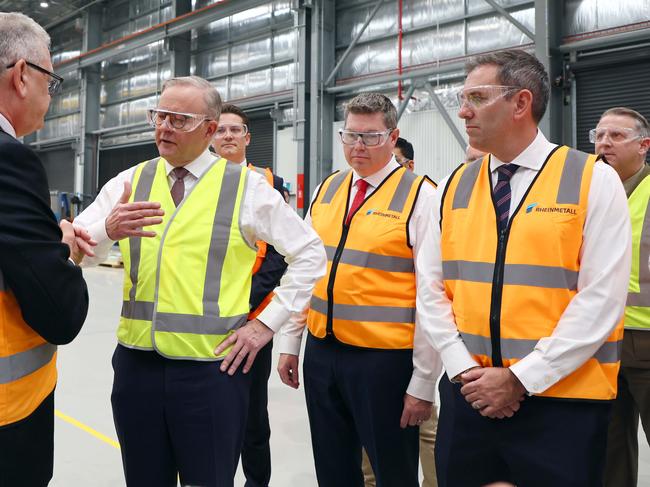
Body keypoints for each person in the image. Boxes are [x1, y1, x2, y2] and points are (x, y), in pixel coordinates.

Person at [73, 76, 326, 487]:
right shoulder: (130, 181)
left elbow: (310, 253)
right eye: (159, 116)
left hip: (211, 372)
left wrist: (265, 325)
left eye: (179, 119)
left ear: (210, 129)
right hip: (137, 366)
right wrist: (107, 228)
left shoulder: (246, 188)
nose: (164, 127)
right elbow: (80, 248)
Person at [420, 49, 631, 486]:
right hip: (470, 393)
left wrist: (520, 378)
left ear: (520, 103)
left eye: (476, 97)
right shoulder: (453, 185)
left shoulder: (591, 178)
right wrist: (461, 369)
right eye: (464, 97)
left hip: (563, 398)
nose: (462, 110)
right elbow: (431, 287)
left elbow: (602, 298)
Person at [277, 92, 442, 487]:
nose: (358, 146)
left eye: (370, 137)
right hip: (323, 352)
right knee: (333, 468)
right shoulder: (327, 190)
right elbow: (309, 272)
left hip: (384, 362)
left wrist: (423, 382)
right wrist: (290, 342)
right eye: (350, 135)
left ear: (393, 136)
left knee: (391, 470)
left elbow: (431, 296)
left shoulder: (422, 197)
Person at [0, 12, 93, 487]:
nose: (49, 96)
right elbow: (61, 313)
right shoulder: (9, 158)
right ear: (21, 76)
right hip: (10, 417)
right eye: (50, 81)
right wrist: (66, 253)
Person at [212, 103, 289, 487]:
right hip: (206, 321)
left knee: (254, 416)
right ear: (210, 136)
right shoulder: (198, 184)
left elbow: (279, 254)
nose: (227, 136)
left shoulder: (267, 184)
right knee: (211, 413)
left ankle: (257, 482)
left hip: (253, 320)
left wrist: (245, 305)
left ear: (247, 137)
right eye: (220, 129)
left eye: (234, 130)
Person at [360, 136, 439, 487]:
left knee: (424, 434)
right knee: (369, 448)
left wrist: (423, 375)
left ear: (407, 164)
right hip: (355, 350)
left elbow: (430, 288)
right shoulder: (345, 195)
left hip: (404, 350)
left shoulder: (424, 198)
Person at [596, 107, 650, 487]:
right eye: (599, 135)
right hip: (602, 342)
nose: (603, 143)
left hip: (647, 341)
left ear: (643, 145)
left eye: (616, 136)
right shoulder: (592, 193)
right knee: (608, 448)